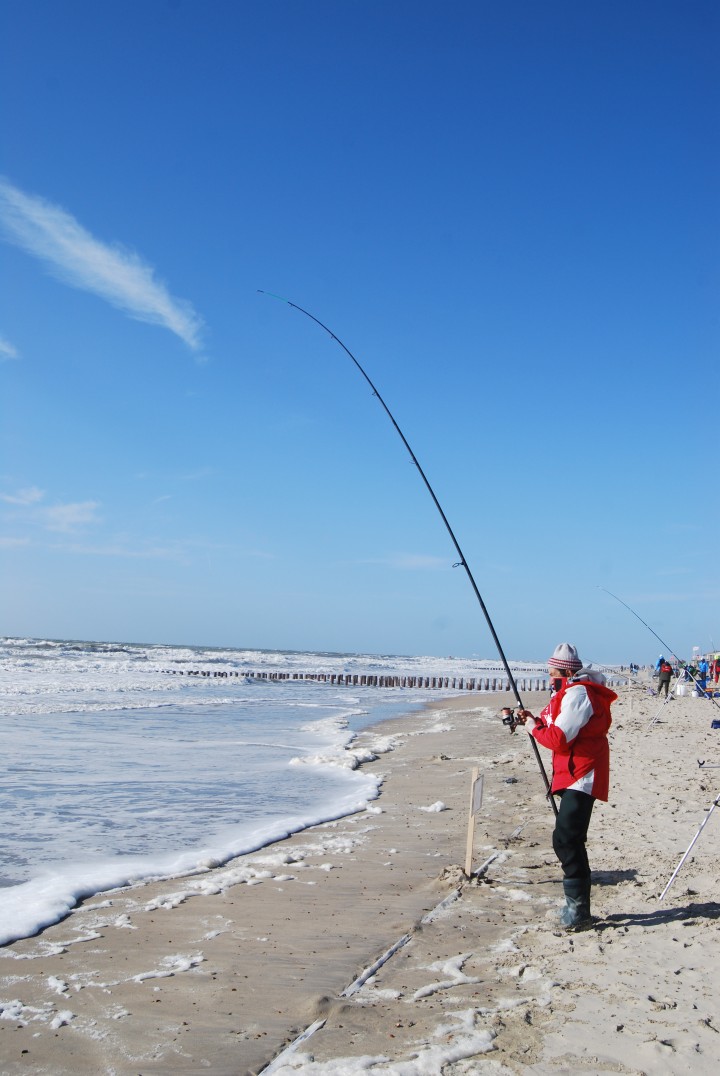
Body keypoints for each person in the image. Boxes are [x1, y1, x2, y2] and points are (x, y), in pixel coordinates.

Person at [518, 642, 617, 929]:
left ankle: (578, 912)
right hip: (571, 771)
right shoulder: (567, 693)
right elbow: (553, 726)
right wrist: (533, 720)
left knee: (566, 838)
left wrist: (533, 729)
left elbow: (558, 738)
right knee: (569, 838)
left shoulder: (578, 694)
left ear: (566, 672)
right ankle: (577, 909)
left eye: (552, 674)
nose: (549, 679)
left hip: (583, 772)